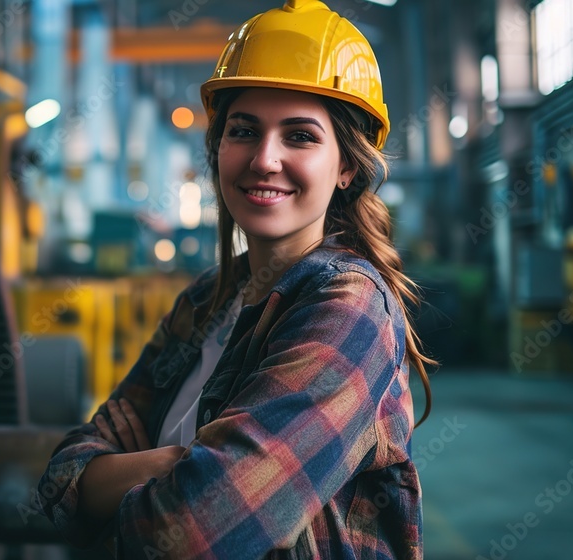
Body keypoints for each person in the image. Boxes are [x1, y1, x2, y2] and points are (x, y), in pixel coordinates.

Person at [35, 1, 434, 557]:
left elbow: (195, 532)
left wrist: (120, 480)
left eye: (300, 136)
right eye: (244, 130)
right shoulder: (205, 302)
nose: (264, 158)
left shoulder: (349, 309)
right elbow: (66, 473)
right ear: (218, 147)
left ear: (346, 167)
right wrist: (175, 466)